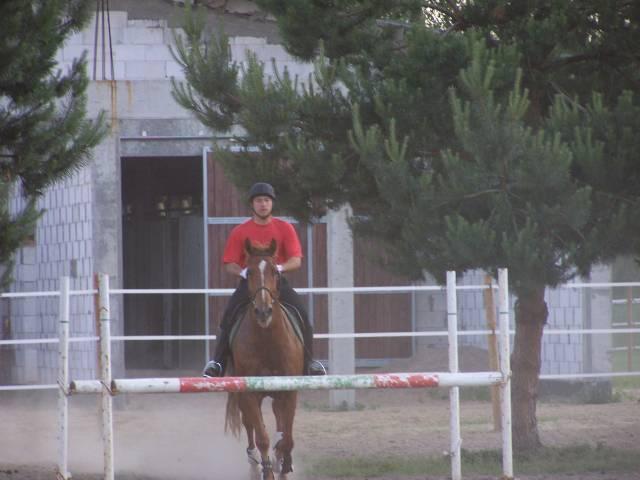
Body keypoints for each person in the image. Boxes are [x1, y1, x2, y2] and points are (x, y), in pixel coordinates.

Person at [203, 182, 327, 377]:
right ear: (252, 204)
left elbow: (296, 260)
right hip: (250, 282)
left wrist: (279, 268)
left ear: (272, 204)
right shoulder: (240, 231)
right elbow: (229, 263)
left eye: (267, 200)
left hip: (275, 281)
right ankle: (217, 363)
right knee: (228, 317)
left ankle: (310, 363)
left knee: (303, 316)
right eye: (259, 200)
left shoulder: (284, 228)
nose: (263, 204)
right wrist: (242, 272)